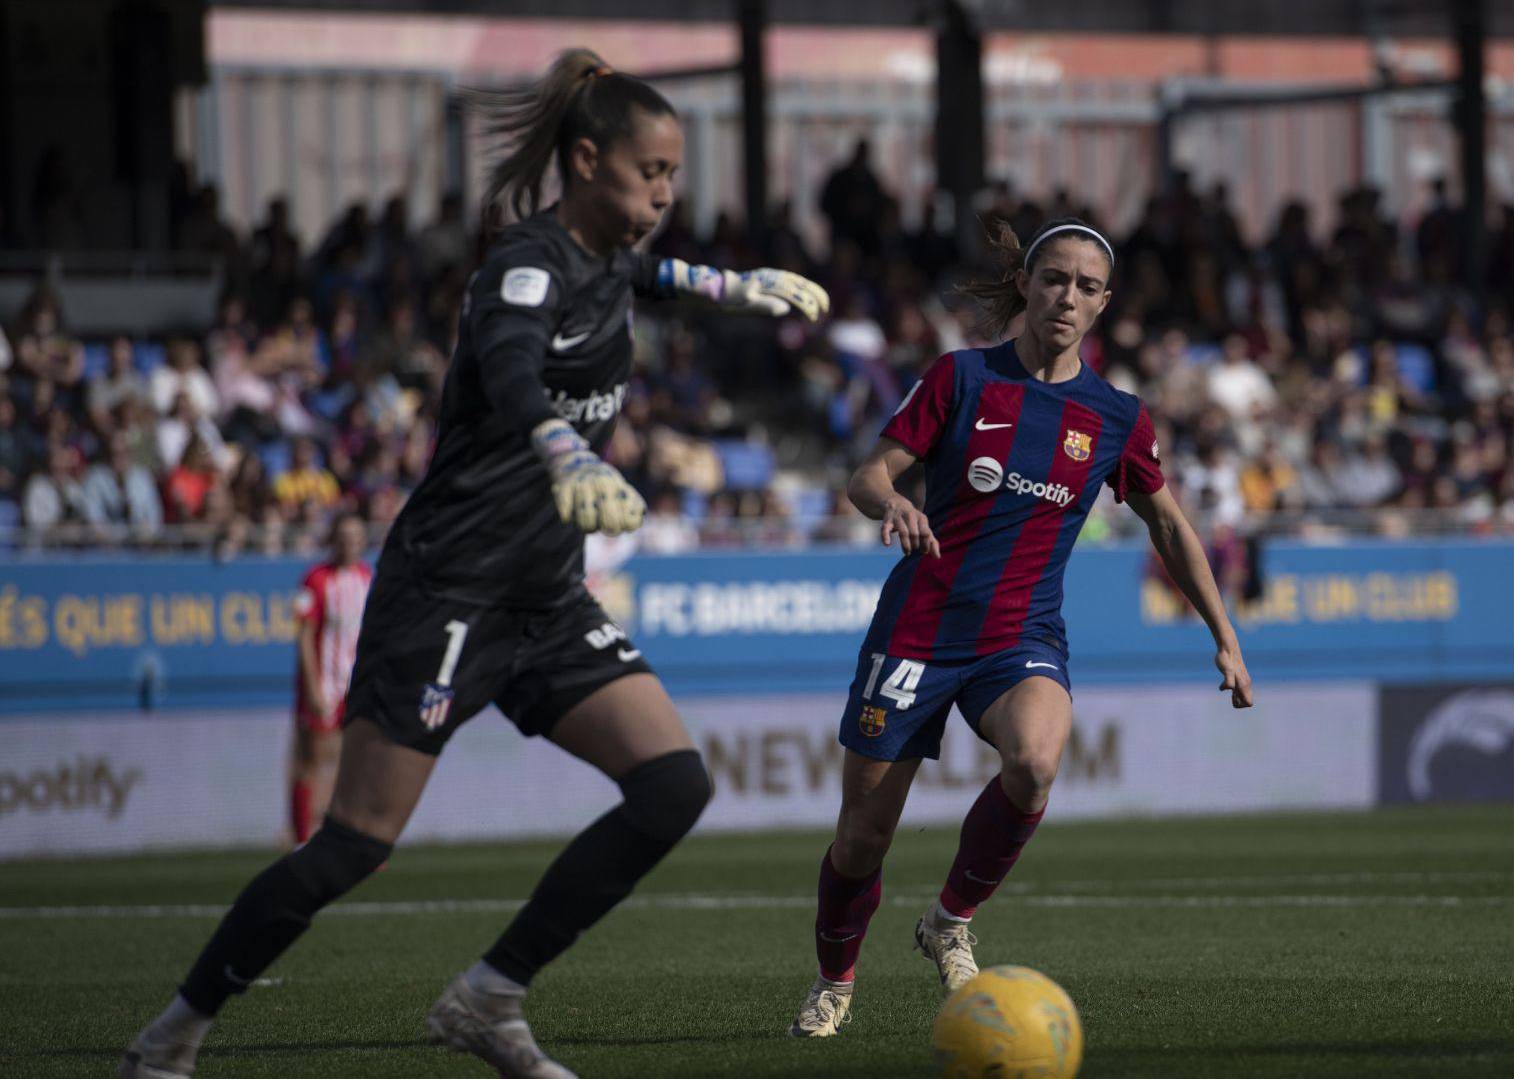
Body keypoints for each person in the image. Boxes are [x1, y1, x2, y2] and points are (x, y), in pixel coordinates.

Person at [120, 48, 829, 1079]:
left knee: (673, 784)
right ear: (586, 161)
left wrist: (740, 284)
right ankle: (169, 1035)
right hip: (447, 586)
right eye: (650, 172)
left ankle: (488, 997)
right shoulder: (525, 263)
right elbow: (505, 362)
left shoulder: (610, 258)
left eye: (675, 174)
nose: (666, 193)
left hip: (543, 594)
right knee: (357, 842)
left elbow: (654, 274)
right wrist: (560, 446)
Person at [788, 217, 1253, 1037]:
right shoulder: (961, 379)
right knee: (861, 839)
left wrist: (1225, 633)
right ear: (1029, 286)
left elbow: (1173, 526)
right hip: (917, 632)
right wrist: (892, 500)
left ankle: (949, 921)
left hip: (1020, 635)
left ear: (1104, 303)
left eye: (1085, 285)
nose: (1066, 296)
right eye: (1053, 279)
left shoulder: (1115, 416)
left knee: (1036, 762)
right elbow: (869, 474)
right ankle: (835, 980)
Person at [288, 513, 372, 845]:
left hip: (356, 684)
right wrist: (312, 687)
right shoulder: (315, 579)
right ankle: (301, 837)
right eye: (343, 537)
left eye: (355, 537)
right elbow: (305, 636)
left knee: (359, 760)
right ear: (333, 540)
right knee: (312, 759)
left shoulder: (366, 578)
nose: (349, 544)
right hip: (325, 685)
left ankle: (353, 837)